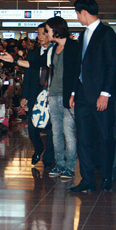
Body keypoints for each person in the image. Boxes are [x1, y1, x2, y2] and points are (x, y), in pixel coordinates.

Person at [67, 0, 116, 193]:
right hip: (82, 96)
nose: (78, 17)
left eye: (77, 13)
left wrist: (105, 93)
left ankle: (106, 177)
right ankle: (87, 179)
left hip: (100, 96)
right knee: (84, 139)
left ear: (83, 12)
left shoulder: (106, 33)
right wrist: (73, 92)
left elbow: (112, 65)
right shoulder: (83, 33)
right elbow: (79, 65)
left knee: (105, 137)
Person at [44, 17, 79, 179]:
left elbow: (77, 73)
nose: (46, 33)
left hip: (67, 96)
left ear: (56, 29)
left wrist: (73, 93)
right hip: (54, 94)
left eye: (47, 30)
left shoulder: (73, 47)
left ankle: (71, 166)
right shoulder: (53, 48)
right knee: (56, 132)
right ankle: (60, 164)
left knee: (68, 132)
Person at [19, 23, 55, 170]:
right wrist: (24, 96)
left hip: (52, 92)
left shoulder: (57, 51)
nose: (39, 37)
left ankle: (48, 158)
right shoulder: (33, 53)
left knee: (52, 128)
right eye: (38, 33)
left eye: (42, 33)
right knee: (33, 128)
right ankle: (38, 149)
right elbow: (27, 76)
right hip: (35, 92)